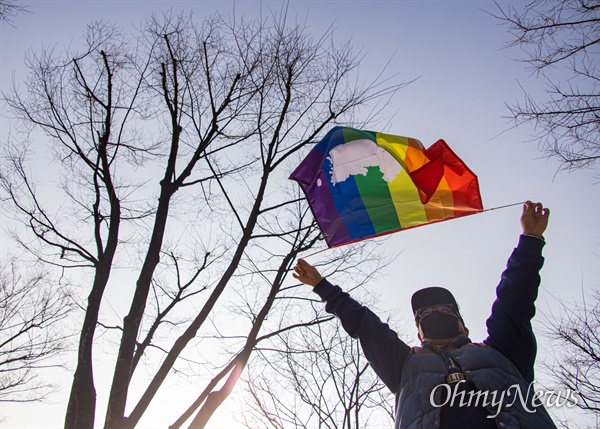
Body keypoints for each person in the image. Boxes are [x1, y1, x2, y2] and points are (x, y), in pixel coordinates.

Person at [293, 201, 557, 429]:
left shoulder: (501, 351)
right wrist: (322, 286)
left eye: (444, 309)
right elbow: (365, 325)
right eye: (424, 313)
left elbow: (514, 299)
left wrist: (530, 242)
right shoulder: (402, 365)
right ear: (418, 333)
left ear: (464, 327)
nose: (433, 312)